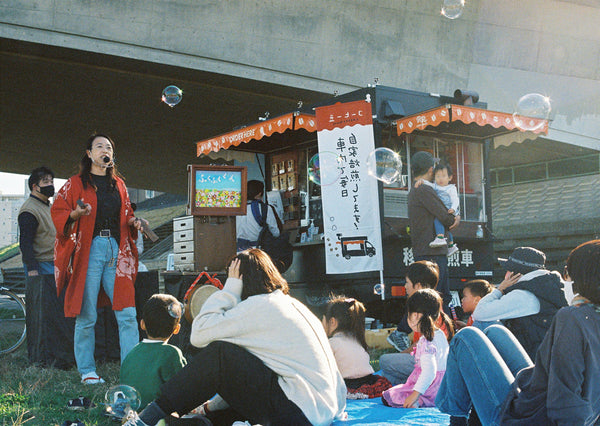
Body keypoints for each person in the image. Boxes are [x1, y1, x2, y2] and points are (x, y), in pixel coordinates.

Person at [126, 249, 346, 426]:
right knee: (230, 358)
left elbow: (199, 334)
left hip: (298, 412)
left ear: (241, 280)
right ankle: (198, 421)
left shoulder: (258, 305)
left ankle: (147, 419)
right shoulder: (292, 305)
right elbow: (242, 375)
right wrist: (209, 407)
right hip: (320, 410)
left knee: (220, 352)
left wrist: (230, 290)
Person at [436, 239, 600, 426]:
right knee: (494, 331)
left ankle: (455, 417)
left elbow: (565, 395)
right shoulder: (586, 316)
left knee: (465, 337)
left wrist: (500, 289)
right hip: (541, 401)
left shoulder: (572, 317)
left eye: (568, 273)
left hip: (526, 419)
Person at [51, 133, 143, 384]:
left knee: (127, 313)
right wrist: (74, 214)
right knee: (87, 314)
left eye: (109, 147)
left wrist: (134, 221)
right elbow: (57, 211)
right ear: (89, 154)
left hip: (116, 249)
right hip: (89, 251)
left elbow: (126, 214)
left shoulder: (119, 185)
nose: (106, 150)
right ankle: (87, 371)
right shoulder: (75, 184)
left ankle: (131, 368)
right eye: (100, 146)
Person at [18, 166, 74, 367]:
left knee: (56, 313)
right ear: (35, 186)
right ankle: (41, 358)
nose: (51, 185)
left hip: (54, 264)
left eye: (52, 181)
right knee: (42, 315)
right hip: (40, 267)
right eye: (46, 182)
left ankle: (57, 354)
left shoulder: (49, 206)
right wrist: (32, 269)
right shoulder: (29, 210)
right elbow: (25, 242)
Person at [471, 246, 567, 359]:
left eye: (508, 270)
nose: (505, 275)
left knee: (480, 325)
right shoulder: (547, 286)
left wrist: (499, 290)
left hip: (531, 363)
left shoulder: (524, 295)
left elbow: (479, 313)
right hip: (546, 357)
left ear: (516, 274)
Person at [381, 260, 450, 386]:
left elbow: (424, 343)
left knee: (384, 360)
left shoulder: (426, 307)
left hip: (429, 363)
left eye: (407, 282)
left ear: (418, 286)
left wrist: (402, 354)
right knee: (386, 375)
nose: (405, 286)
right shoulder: (432, 303)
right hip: (426, 361)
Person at [381, 289, 454, 408]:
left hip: (430, 390)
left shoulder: (427, 342)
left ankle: (419, 401)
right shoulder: (439, 333)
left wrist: (414, 395)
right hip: (443, 388)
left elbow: (429, 372)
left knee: (388, 396)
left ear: (415, 315)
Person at [407, 151, 460, 311]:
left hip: (425, 251)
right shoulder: (424, 190)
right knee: (439, 296)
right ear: (431, 170)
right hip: (432, 253)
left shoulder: (418, 188)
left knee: (430, 297)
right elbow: (446, 217)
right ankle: (406, 331)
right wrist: (455, 219)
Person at [120, 294, 187, 409]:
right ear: (177, 329)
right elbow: (184, 388)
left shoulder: (133, 352)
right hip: (158, 413)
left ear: (142, 324)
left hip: (131, 410)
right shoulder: (172, 353)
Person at [322, 295, 392, 399]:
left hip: (350, 386)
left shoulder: (332, 343)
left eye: (322, 320)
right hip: (371, 382)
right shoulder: (357, 339)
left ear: (332, 322)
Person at [235, 180, 280, 252]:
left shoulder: (237, 209)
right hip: (258, 250)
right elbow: (275, 232)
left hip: (239, 250)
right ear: (259, 194)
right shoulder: (265, 208)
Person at [428, 162, 460, 257]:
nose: (440, 179)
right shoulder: (435, 186)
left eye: (443, 176)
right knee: (446, 228)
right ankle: (451, 245)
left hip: (449, 210)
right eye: (438, 176)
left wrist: (453, 209)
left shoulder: (451, 188)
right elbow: (427, 184)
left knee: (438, 219)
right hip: (443, 210)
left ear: (449, 178)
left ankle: (440, 237)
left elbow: (455, 199)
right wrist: (421, 181)